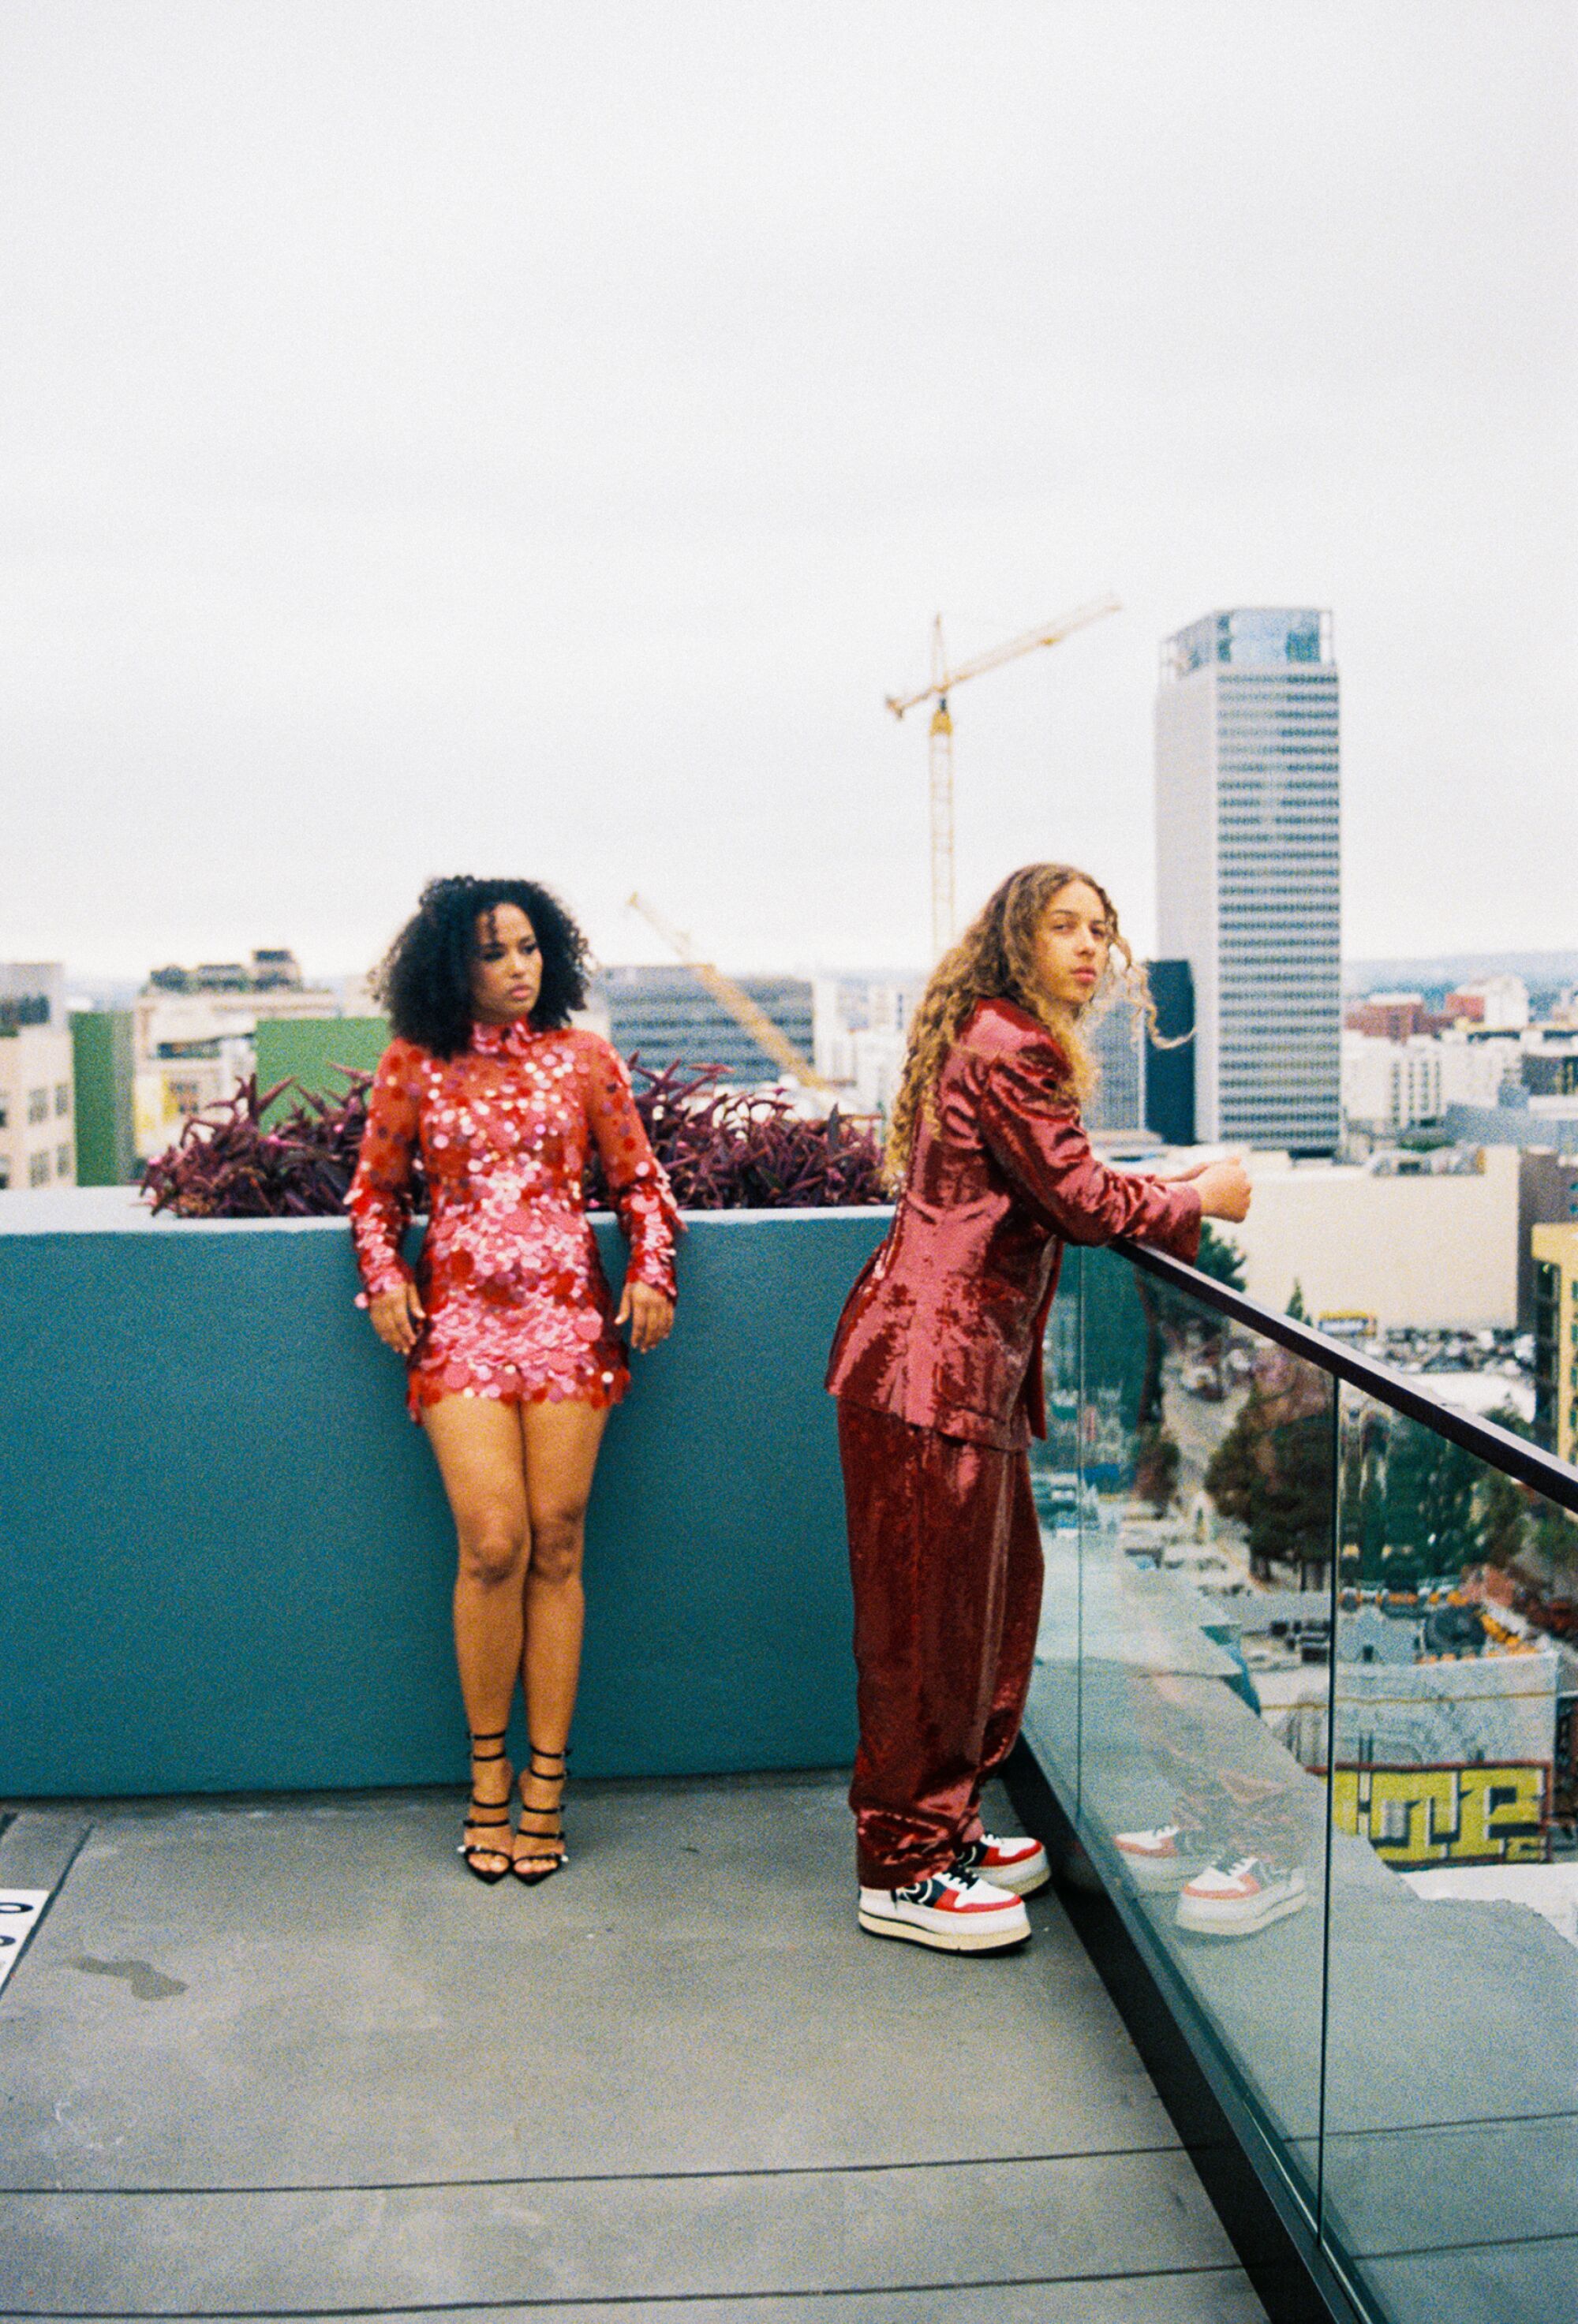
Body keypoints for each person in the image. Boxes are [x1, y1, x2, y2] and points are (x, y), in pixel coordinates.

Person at [825, 862, 1252, 1953]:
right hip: (934, 1374)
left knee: (980, 1608)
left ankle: (945, 1825)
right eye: (1064, 925)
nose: (1089, 947)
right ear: (1018, 935)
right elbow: (1082, 1197)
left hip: (946, 1371)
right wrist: (1200, 1197)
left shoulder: (994, 1032)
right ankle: (905, 1867)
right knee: (928, 1625)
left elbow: (1047, 1184)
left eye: (1102, 930)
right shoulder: (1015, 1044)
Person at [348, 876, 678, 1885]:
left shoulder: (584, 1061)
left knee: (560, 1539)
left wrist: (653, 1275)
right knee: (493, 1543)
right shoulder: (413, 1065)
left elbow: (642, 1187)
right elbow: (373, 1195)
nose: (519, 967)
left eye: (531, 947)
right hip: (461, 1335)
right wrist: (384, 1281)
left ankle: (546, 1790)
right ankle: (485, 1779)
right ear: (454, 965)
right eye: (495, 952)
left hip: (569, 1328)